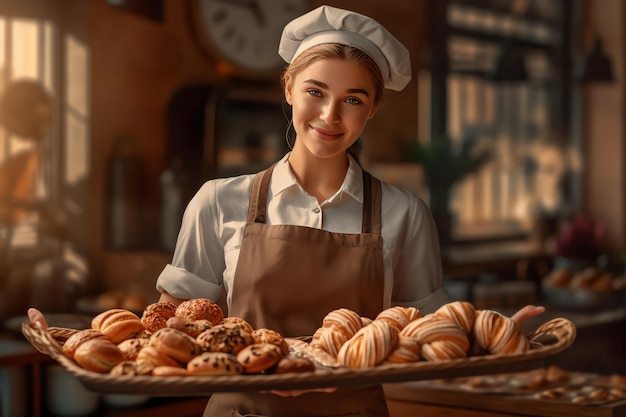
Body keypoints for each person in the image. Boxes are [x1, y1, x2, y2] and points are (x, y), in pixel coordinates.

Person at [29, 4, 544, 416]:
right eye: (315, 92)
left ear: (373, 109)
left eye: (354, 99)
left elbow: (427, 338)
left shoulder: (405, 215)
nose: (329, 115)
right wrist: (78, 339)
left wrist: (493, 337)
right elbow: (171, 333)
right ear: (288, 89)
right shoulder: (217, 201)